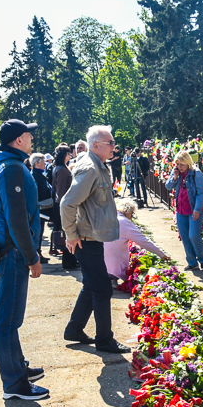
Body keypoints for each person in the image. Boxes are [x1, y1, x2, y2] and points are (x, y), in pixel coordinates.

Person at [0, 119, 47, 400]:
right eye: (28, 134)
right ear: (18, 140)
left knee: (11, 316)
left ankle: (17, 368)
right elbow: (17, 219)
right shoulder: (10, 167)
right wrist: (31, 256)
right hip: (12, 251)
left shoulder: (7, 163)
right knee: (9, 319)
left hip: (10, 248)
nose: (32, 138)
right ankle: (14, 384)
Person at [60, 125, 127, 353]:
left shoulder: (98, 165)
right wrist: (70, 235)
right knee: (102, 289)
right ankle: (104, 340)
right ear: (96, 145)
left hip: (91, 237)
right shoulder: (90, 168)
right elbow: (67, 203)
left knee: (91, 285)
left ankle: (74, 330)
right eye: (110, 143)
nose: (113, 147)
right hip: (85, 239)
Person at [104, 199, 167, 286]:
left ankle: (109, 278)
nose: (131, 217)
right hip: (111, 261)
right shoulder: (124, 222)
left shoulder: (110, 217)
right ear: (128, 212)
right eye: (132, 214)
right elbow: (144, 241)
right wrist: (161, 254)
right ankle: (111, 278)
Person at [166, 150, 203, 271]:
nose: (180, 167)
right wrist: (174, 177)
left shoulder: (196, 173)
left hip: (194, 209)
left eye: (182, 164)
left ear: (188, 163)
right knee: (185, 237)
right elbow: (168, 186)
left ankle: (202, 259)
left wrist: (197, 209)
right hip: (181, 210)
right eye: (178, 164)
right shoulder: (177, 173)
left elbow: (201, 193)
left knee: (193, 235)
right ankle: (192, 262)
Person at [51, 146, 77, 268]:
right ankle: (69, 262)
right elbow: (61, 191)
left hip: (61, 204)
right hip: (64, 205)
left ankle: (70, 260)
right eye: (68, 153)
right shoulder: (61, 170)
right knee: (68, 233)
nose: (70, 155)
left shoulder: (58, 168)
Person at [29, 153, 52, 265]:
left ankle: (38, 253)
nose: (45, 164)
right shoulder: (34, 176)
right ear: (37, 163)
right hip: (38, 208)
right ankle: (36, 254)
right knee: (37, 232)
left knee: (40, 231)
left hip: (43, 208)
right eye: (43, 162)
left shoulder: (40, 174)